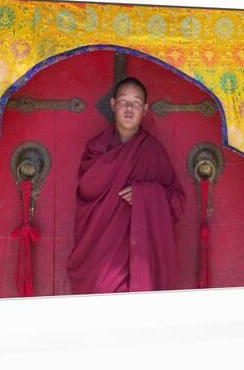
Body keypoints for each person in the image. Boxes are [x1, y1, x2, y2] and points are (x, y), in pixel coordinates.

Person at [66, 77, 185, 294]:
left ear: (145, 109)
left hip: (140, 254)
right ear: (113, 105)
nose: (129, 108)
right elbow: (87, 192)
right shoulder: (95, 150)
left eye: (136, 103)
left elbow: (177, 202)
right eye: (123, 101)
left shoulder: (153, 151)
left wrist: (146, 195)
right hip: (99, 253)